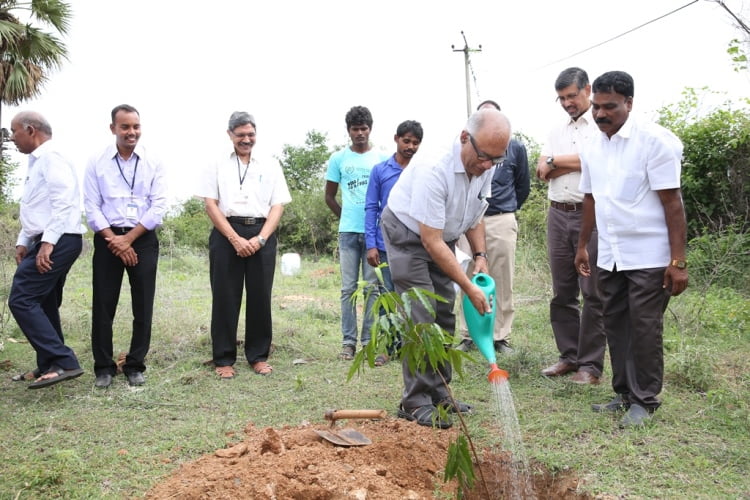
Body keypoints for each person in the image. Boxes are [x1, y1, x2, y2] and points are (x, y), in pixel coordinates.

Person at [382, 107, 511, 429]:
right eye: (483, 157)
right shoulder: (433, 168)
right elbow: (431, 240)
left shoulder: (487, 163)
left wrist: (480, 254)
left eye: (495, 160)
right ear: (465, 138)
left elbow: (476, 212)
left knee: (443, 315)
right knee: (421, 314)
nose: (486, 166)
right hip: (408, 235)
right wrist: (469, 287)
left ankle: (439, 393)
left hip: (443, 237)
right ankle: (414, 401)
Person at [575, 70, 688, 427]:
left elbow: (673, 204)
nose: (600, 114)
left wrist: (677, 262)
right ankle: (624, 393)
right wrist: (583, 245)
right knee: (616, 323)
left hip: (649, 255)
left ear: (629, 103)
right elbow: (590, 198)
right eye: (596, 107)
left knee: (644, 326)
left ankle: (645, 399)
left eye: (610, 107)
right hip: (610, 252)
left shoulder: (655, 141)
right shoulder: (592, 144)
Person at [196, 111, 291, 379]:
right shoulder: (215, 163)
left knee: (260, 297)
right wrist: (234, 238)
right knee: (225, 296)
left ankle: (258, 356)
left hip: (262, 232)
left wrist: (261, 238)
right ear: (230, 135)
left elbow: (278, 205)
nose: (246, 139)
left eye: (250, 134)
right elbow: (210, 204)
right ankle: (224, 359)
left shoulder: (270, 164)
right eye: (240, 135)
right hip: (227, 233)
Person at [83, 104, 168, 388]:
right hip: (108, 238)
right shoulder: (96, 161)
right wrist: (115, 240)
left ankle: (135, 365)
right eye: (125, 127)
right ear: (113, 129)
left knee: (143, 304)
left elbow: (158, 207)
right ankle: (104, 367)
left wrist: (129, 240)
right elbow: (92, 207)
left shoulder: (153, 161)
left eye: (136, 127)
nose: (131, 132)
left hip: (141, 238)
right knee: (103, 305)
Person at [535, 67, 605, 385]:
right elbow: (541, 171)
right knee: (562, 291)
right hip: (557, 213)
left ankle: (590, 365)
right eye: (562, 98)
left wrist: (555, 162)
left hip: (590, 214)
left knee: (592, 291)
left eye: (572, 96)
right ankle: (569, 355)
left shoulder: (602, 125)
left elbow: (596, 161)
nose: (567, 103)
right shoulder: (555, 130)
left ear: (587, 90)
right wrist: (566, 161)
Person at [7, 111, 86, 389]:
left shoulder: (52, 158)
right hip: (47, 237)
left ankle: (64, 360)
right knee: (43, 301)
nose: (11, 137)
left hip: (60, 239)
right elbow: (37, 207)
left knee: (21, 298)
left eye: (14, 131)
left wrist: (48, 243)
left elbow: (64, 203)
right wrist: (23, 241)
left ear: (30, 130)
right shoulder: (36, 162)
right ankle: (48, 364)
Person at [456, 99, 530, 354]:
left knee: (502, 278)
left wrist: (505, 208)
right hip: (468, 221)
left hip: (500, 217)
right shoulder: (466, 149)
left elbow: (523, 186)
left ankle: (500, 336)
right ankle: (468, 335)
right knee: (466, 275)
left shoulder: (516, 147)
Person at [325, 106, 389, 361]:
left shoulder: (382, 158)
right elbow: (329, 196)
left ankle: (368, 342)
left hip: (374, 235)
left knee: (372, 288)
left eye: (364, 128)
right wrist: (346, 217)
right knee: (348, 288)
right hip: (348, 234)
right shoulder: (338, 159)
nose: (360, 133)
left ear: (370, 129)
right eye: (355, 129)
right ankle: (348, 343)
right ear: (349, 131)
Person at [364, 119, 423, 366]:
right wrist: (371, 244)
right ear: (396, 139)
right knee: (386, 297)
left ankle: (412, 345)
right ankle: (388, 348)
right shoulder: (380, 170)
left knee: (412, 298)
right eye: (406, 141)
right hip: (385, 244)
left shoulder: (421, 169)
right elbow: (371, 207)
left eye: (415, 143)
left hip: (415, 244)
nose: (410, 146)